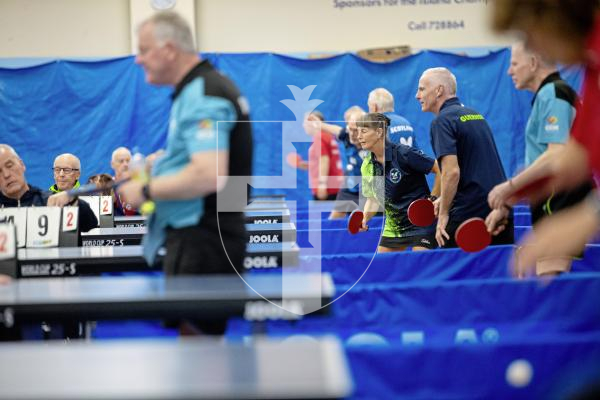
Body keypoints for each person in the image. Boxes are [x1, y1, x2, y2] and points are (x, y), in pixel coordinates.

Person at [117, 11, 252, 282]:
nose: (138, 59)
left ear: (168, 50)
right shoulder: (202, 88)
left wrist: (145, 190)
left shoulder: (203, 93)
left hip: (204, 238)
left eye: (143, 50)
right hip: (205, 233)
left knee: (194, 326)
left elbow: (208, 174)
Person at [490, 0, 600, 273]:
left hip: (564, 203)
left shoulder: (558, 90)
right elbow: (577, 156)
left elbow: (557, 153)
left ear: (553, 18)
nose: (535, 46)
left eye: (529, 34)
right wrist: (514, 192)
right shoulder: (591, 65)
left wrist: (589, 217)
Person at [415, 67, 514, 248]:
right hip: (498, 208)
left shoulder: (442, 121)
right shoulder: (476, 115)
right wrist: (443, 198)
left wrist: (444, 213)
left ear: (439, 91)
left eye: (421, 89)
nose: (417, 95)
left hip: (469, 211)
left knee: (445, 265)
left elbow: (451, 172)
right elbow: (475, 166)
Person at [357, 113, 440, 252]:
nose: (359, 136)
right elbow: (374, 200)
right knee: (382, 268)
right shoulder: (367, 165)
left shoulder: (404, 154)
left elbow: (441, 169)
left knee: (419, 264)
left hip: (421, 223)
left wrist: (433, 199)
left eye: (363, 131)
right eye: (358, 131)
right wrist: (364, 218)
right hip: (394, 227)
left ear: (379, 132)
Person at [0, 145, 97, 232]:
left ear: (22, 165)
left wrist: (73, 202)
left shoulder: (50, 201)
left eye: (9, 166)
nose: (6, 175)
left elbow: (91, 225)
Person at [304, 106, 366, 218]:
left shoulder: (374, 144)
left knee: (371, 220)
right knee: (333, 219)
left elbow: (324, 160)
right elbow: (337, 130)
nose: (351, 133)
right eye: (349, 127)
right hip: (350, 185)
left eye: (355, 130)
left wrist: (322, 184)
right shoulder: (346, 135)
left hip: (368, 187)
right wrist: (320, 125)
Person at [303, 111, 344, 201]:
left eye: (305, 122)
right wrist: (308, 165)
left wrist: (322, 185)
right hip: (335, 184)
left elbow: (324, 160)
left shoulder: (319, 137)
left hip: (328, 188)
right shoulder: (327, 136)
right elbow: (326, 160)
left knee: (326, 215)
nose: (303, 126)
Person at [110, 147, 138, 216]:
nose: (125, 164)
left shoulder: (140, 185)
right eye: (121, 161)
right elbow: (104, 220)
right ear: (112, 164)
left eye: (128, 161)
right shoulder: (107, 188)